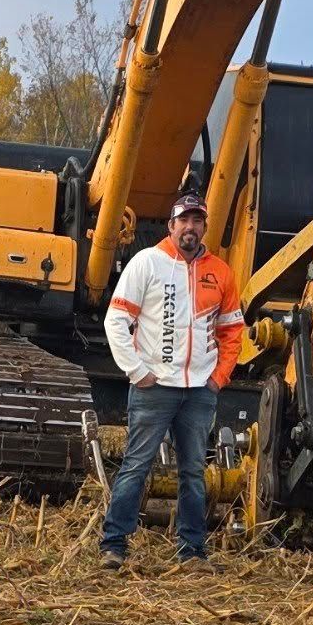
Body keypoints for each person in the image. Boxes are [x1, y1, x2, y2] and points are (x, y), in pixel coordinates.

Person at [99, 190, 244, 570]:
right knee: (137, 464)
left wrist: (218, 378)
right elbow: (116, 321)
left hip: (199, 392)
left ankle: (192, 552)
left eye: (197, 221)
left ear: (204, 226)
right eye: (184, 221)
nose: (190, 228)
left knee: (194, 473)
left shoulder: (221, 272)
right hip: (154, 387)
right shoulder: (147, 263)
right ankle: (113, 546)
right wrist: (137, 371)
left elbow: (232, 331)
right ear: (171, 225)